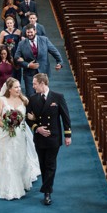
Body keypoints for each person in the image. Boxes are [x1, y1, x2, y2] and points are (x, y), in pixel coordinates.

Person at [0, 77, 41, 200]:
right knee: (8, 158)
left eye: (19, 87)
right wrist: (7, 126)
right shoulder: (1, 101)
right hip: (6, 135)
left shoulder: (24, 100)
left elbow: (29, 115)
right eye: (16, 87)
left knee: (19, 157)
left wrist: (33, 118)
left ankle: (21, 179)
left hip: (20, 135)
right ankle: (9, 187)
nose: (19, 89)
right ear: (9, 89)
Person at [27, 73, 71, 206]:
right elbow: (27, 118)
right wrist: (37, 128)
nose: (33, 86)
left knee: (50, 164)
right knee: (42, 164)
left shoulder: (58, 97)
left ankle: (47, 192)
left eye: (35, 84)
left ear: (42, 83)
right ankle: (47, 188)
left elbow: (65, 117)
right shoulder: (32, 99)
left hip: (53, 137)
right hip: (40, 137)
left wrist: (67, 135)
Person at [14, 25, 63, 94]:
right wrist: (28, 65)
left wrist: (59, 62)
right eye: (28, 32)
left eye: (31, 32)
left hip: (43, 72)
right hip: (29, 74)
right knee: (31, 96)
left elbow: (54, 51)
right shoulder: (21, 44)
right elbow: (16, 57)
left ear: (35, 31)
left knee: (43, 94)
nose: (29, 34)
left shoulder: (44, 40)